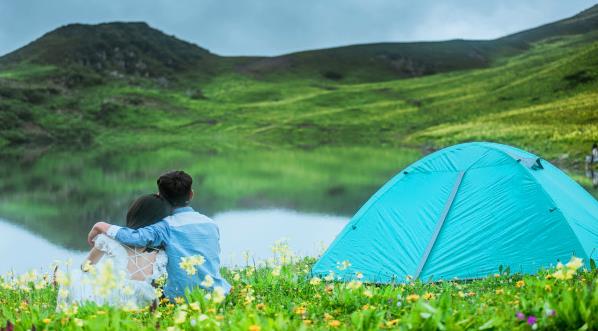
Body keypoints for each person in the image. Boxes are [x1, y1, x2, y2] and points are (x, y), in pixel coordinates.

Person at [87, 170, 231, 301]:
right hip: (218, 293)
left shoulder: (165, 226)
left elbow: (136, 237)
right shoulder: (211, 223)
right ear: (191, 194)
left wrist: (101, 225)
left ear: (159, 196)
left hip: (182, 298)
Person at [57, 194, 171, 309]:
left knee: (75, 275)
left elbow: (85, 267)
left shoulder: (109, 240)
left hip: (114, 300)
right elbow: (157, 286)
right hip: (142, 303)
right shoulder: (162, 253)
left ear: (134, 213)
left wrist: (103, 271)